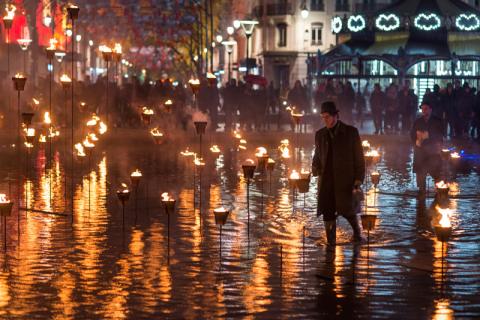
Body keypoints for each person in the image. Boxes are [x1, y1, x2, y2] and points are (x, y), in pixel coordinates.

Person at [312, 101, 366, 248]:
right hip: (326, 182)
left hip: (344, 181)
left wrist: (358, 180)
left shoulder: (351, 133)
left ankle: (357, 234)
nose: (325, 120)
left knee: (348, 211)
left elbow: (359, 159)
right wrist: (315, 167)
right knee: (328, 212)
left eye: (328, 117)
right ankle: (331, 244)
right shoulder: (320, 135)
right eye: (323, 117)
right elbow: (317, 155)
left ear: (336, 115)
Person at [410, 103, 444, 196]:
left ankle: (439, 192)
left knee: (436, 173)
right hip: (420, 152)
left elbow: (441, 134)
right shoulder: (418, 121)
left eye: (426, 109)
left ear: (430, 109)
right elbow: (412, 134)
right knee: (421, 173)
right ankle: (422, 192)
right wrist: (417, 140)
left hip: (432, 151)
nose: (424, 111)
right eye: (423, 109)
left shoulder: (437, 121)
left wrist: (428, 136)